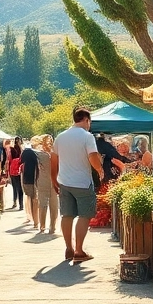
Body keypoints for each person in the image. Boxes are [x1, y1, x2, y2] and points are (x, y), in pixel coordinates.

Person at [51, 108, 103, 263]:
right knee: (84, 215)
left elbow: (53, 160)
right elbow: (93, 156)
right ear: (86, 120)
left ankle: (69, 248)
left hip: (64, 182)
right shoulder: (87, 136)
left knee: (67, 215)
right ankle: (79, 251)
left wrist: (53, 178)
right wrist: (99, 169)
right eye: (90, 122)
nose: (89, 125)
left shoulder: (60, 137)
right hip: (82, 182)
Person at [32, 134, 58, 234]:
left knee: (45, 204)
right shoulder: (53, 154)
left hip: (44, 181)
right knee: (52, 205)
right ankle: (51, 227)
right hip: (52, 181)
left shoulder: (39, 155)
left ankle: (44, 226)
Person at [20, 138, 40, 226]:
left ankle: (31, 217)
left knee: (30, 198)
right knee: (35, 199)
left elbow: (21, 161)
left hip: (27, 178)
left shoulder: (25, 152)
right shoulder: (37, 153)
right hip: (36, 178)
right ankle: (36, 220)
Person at [7, 137, 26, 211]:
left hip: (12, 170)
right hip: (19, 170)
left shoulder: (11, 149)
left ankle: (14, 202)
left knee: (14, 187)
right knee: (20, 188)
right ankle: (21, 205)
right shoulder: (22, 150)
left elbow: (8, 160)